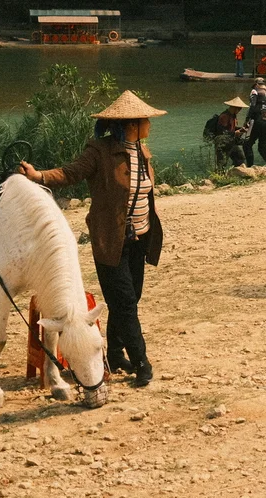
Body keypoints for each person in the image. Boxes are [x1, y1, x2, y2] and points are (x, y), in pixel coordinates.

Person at [18, 90, 165, 388]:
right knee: (124, 304)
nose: (150, 123)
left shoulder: (142, 151)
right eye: (146, 119)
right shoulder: (99, 152)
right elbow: (70, 173)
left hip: (139, 240)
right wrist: (38, 176)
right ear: (132, 124)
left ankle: (113, 353)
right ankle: (141, 362)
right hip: (110, 243)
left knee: (128, 300)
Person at [208, 96, 248, 169]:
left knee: (240, 158)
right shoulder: (224, 117)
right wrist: (235, 133)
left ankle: (235, 174)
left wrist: (241, 129)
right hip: (222, 143)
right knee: (222, 164)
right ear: (234, 107)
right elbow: (221, 132)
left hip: (231, 141)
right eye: (239, 108)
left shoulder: (233, 116)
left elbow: (231, 128)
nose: (240, 110)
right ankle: (220, 179)